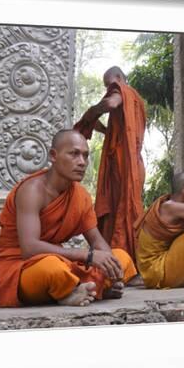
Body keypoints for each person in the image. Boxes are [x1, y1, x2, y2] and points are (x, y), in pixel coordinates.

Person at [0, 129, 138, 308]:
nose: (82, 162)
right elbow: (29, 248)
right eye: (74, 154)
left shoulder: (81, 196)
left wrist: (113, 270)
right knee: (52, 269)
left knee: (121, 256)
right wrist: (87, 256)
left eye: (85, 156)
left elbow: (97, 242)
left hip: (61, 262)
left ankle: (74, 289)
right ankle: (80, 288)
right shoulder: (32, 191)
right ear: (53, 156)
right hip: (19, 267)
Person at [73, 66, 146, 260]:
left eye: (110, 84)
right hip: (133, 162)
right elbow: (119, 126)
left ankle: (124, 259)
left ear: (119, 79)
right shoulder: (138, 101)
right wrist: (103, 128)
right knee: (122, 207)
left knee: (123, 207)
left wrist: (91, 112)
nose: (109, 88)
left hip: (123, 163)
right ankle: (121, 257)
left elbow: (111, 103)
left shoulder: (123, 91)